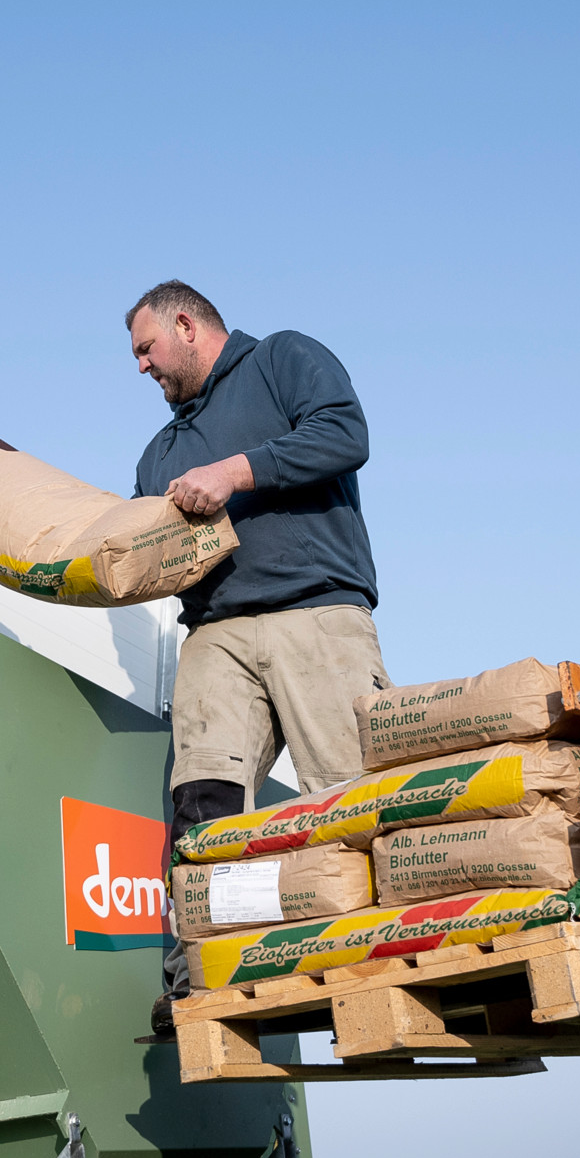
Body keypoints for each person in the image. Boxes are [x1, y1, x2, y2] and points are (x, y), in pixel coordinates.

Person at [127, 281, 389, 1032]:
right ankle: (200, 975)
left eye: (146, 349)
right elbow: (133, 554)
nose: (141, 368)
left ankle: (376, 954)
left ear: (185, 325)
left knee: (348, 789)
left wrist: (234, 472)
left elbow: (347, 435)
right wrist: (27, 564)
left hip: (317, 612)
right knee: (201, 808)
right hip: (215, 634)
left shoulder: (281, 359)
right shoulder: (159, 455)